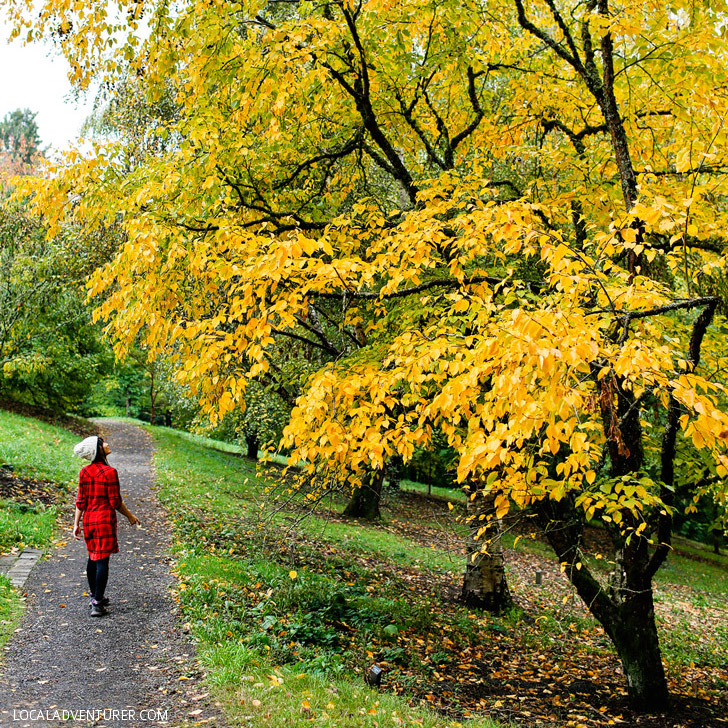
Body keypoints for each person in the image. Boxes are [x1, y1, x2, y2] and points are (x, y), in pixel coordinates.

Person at [72, 435, 139, 617]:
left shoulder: (84, 472)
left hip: (89, 520)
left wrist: (76, 524)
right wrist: (130, 516)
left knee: (92, 557)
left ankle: (95, 595)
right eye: (103, 443)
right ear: (98, 449)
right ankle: (97, 602)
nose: (107, 444)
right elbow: (115, 502)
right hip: (104, 521)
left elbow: (81, 501)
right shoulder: (110, 472)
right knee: (102, 560)